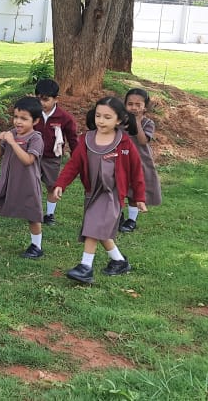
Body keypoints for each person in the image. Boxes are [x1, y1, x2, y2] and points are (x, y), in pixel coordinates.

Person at [52, 96, 147, 284]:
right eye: (98, 116)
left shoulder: (125, 144)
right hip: (93, 192)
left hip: (112, 194)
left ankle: (85, 267)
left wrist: (140, 197)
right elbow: (73, 165)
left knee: (93, 225)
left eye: (107, 117)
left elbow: (136, 172)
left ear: (119, 120)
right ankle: (119, 261)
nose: (101, 121)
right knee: (99, 228)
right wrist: (60, 184)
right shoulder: (86, 140)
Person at [0, 96, 46, 259]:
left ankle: (36, 246)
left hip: (27, 184)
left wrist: (12, 143)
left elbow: (28, 160)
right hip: (7, 181)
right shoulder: (11, 133)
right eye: (16, 117)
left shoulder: (35, 138)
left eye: (24, 119)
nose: (18, 121)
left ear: (35, 121)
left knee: (32, 216)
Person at [34, 79, 79, 227]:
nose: (42, 103)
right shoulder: (32, 113)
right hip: (32, 156)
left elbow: (73, 139)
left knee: (52, 185)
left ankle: (50, 214)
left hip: (52, 158)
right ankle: (32, 211)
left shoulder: (64, 118)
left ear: (56, 99)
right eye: (38, 99)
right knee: (31, 184)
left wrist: (77, 157)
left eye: (45, 99)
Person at [120, 88, 162, 232]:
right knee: (117, 189)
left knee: (133, 192)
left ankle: (131, 220)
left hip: (139, 161)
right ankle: (118, 215)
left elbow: (143, 141)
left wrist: (137, 122)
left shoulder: (147, 123)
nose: (134, 108)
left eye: (138, 105)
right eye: (130, 104)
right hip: (120, 161)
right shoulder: (119, 122)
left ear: (145, 107)